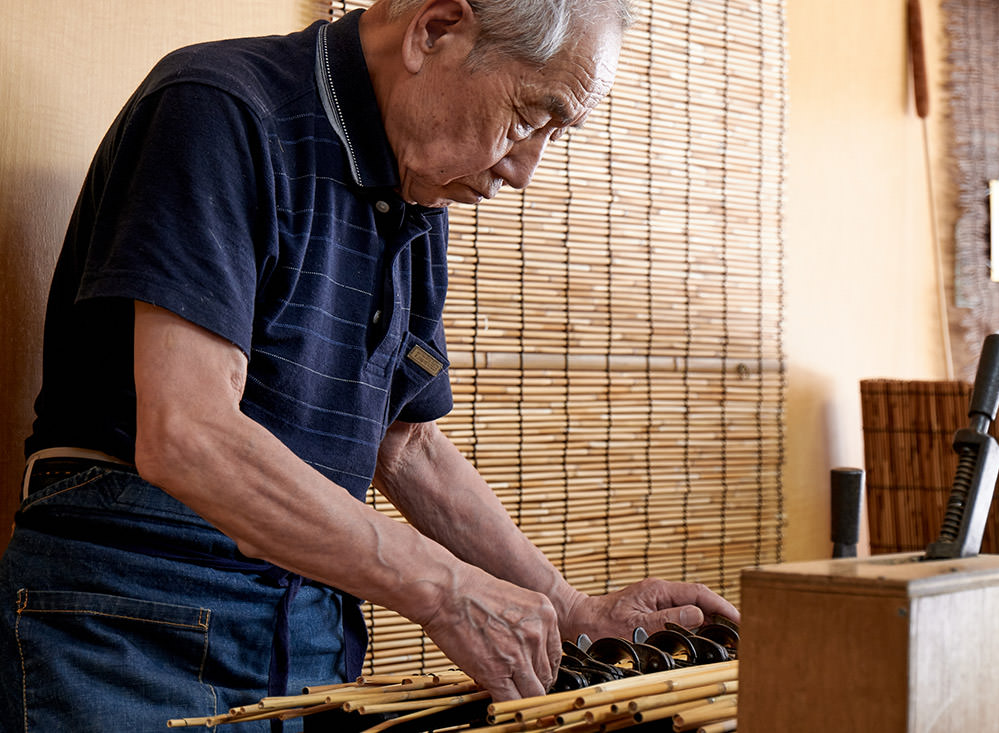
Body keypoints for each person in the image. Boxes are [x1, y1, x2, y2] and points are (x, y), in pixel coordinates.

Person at [0, 0, 741, 729]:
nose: (523, 170)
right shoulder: (219, 107)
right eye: (523, 119)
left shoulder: (416, 194)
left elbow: (404, 442)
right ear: (436, 28)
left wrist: (571, 607)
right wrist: (443, 587)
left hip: (306, 636)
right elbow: (190, 433)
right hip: (130, 626)